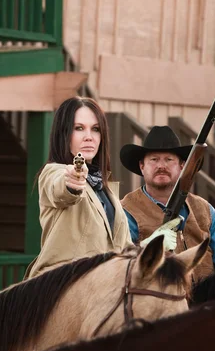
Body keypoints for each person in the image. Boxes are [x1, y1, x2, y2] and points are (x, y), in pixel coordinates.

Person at [25, 97, 134, 279]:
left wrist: (154, 246)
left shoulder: (106, 189)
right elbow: (60, 188)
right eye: (79, 128)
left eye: (96, 129)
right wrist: (72, 182)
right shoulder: (53, 172)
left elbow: (124, 249)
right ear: (64, 133)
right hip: (61, 287)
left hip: (104, 288)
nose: (89, 137)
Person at [120, 125, 215, 281]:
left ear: (182, 166)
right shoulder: (126, 211)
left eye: (169, 159)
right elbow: (120, 265)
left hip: (206, 304)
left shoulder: (205, 211)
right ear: (142, 166)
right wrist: (147, 246)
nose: (161, 166)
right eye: (154, 159)